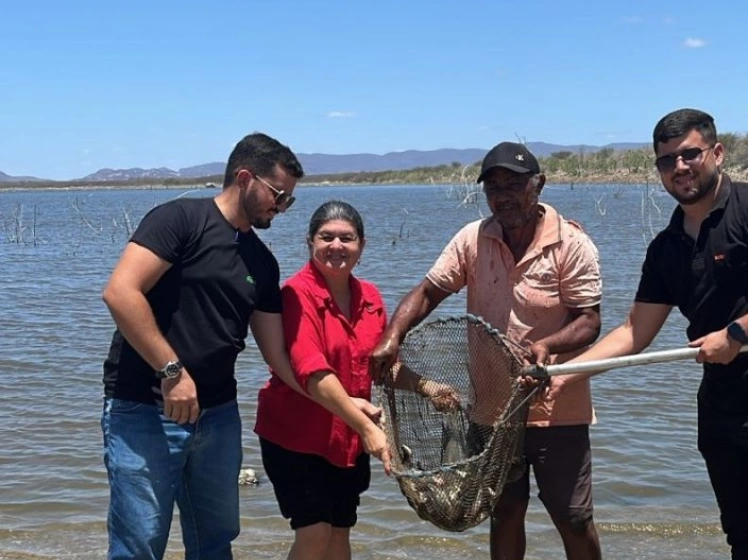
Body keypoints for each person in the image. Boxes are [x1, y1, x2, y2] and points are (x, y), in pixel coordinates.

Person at [559, 108, 748, 560]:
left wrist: (737, 332)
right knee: (745, 542)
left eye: (690, 154)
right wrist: (567, 373)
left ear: (717, 153)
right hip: (722, 406)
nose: (679, 168)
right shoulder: (666, 246)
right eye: (667, 161)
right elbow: (634, 330)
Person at [370, 142, 604, 560]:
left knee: (573, 517)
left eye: (513, 184)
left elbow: (590, 320)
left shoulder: (572, 243)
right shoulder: (472, 238)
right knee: (505, 511)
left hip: (556, 407)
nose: (503, 195)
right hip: (490, 411)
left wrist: (549, 345)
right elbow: (428, 292)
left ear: (539, 185)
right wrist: (394, 335)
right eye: (493, 187)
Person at [101, 132, 310, 560]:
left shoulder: (263, 263)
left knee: (215, 542)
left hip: (217, 417)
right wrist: (172, 372)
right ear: (245, 177)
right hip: (145, 409)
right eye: (278, 195)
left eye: (289, 200)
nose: (282, 207)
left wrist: (339, 402)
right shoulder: (180, 220)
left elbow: (278, 356)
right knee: (139, 544)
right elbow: (121, 293)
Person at [254, 201, 398, 560]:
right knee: (315, 532)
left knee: (338, 534)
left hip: (343, 440)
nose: (337, 246)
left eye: (347, 238)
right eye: (327, 237)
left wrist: (430, 388)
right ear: (310, 242)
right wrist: (367, 428)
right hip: (294, 436)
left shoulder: (371, 298)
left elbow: (384, 365)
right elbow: (312, 369)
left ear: (361, 246)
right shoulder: (296, 294)